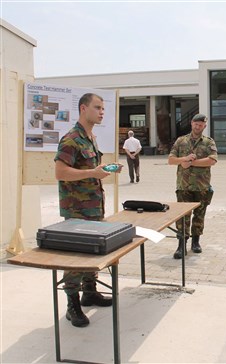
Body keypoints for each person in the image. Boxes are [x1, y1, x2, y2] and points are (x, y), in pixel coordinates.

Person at [54, 93, 121, 327]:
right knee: (76, 258)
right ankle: (72, 305)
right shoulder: (71, 139)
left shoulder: (90, 137)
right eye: (97, 107)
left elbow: (90, 168)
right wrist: (93, 173)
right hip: (77, 211)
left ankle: (89, 292)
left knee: (92, 252)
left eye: (103, 108)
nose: (102, 112)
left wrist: (103, 169)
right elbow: (60, 173)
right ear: (84, 108)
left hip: (93, 208)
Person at [168, 113, 217, 259]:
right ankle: (181, 245)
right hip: (184, 186)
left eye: (201, 125)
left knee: (199, 216)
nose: (198, 126)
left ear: (204, 126)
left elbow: (213, 160)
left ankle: (196, 242)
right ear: (191, 123)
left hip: (201, 187)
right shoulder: (181, 141)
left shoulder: (208, 142)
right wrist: (183, 160)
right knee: (182, 217)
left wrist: (192, 163)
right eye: (196, 124)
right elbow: (171, 160)